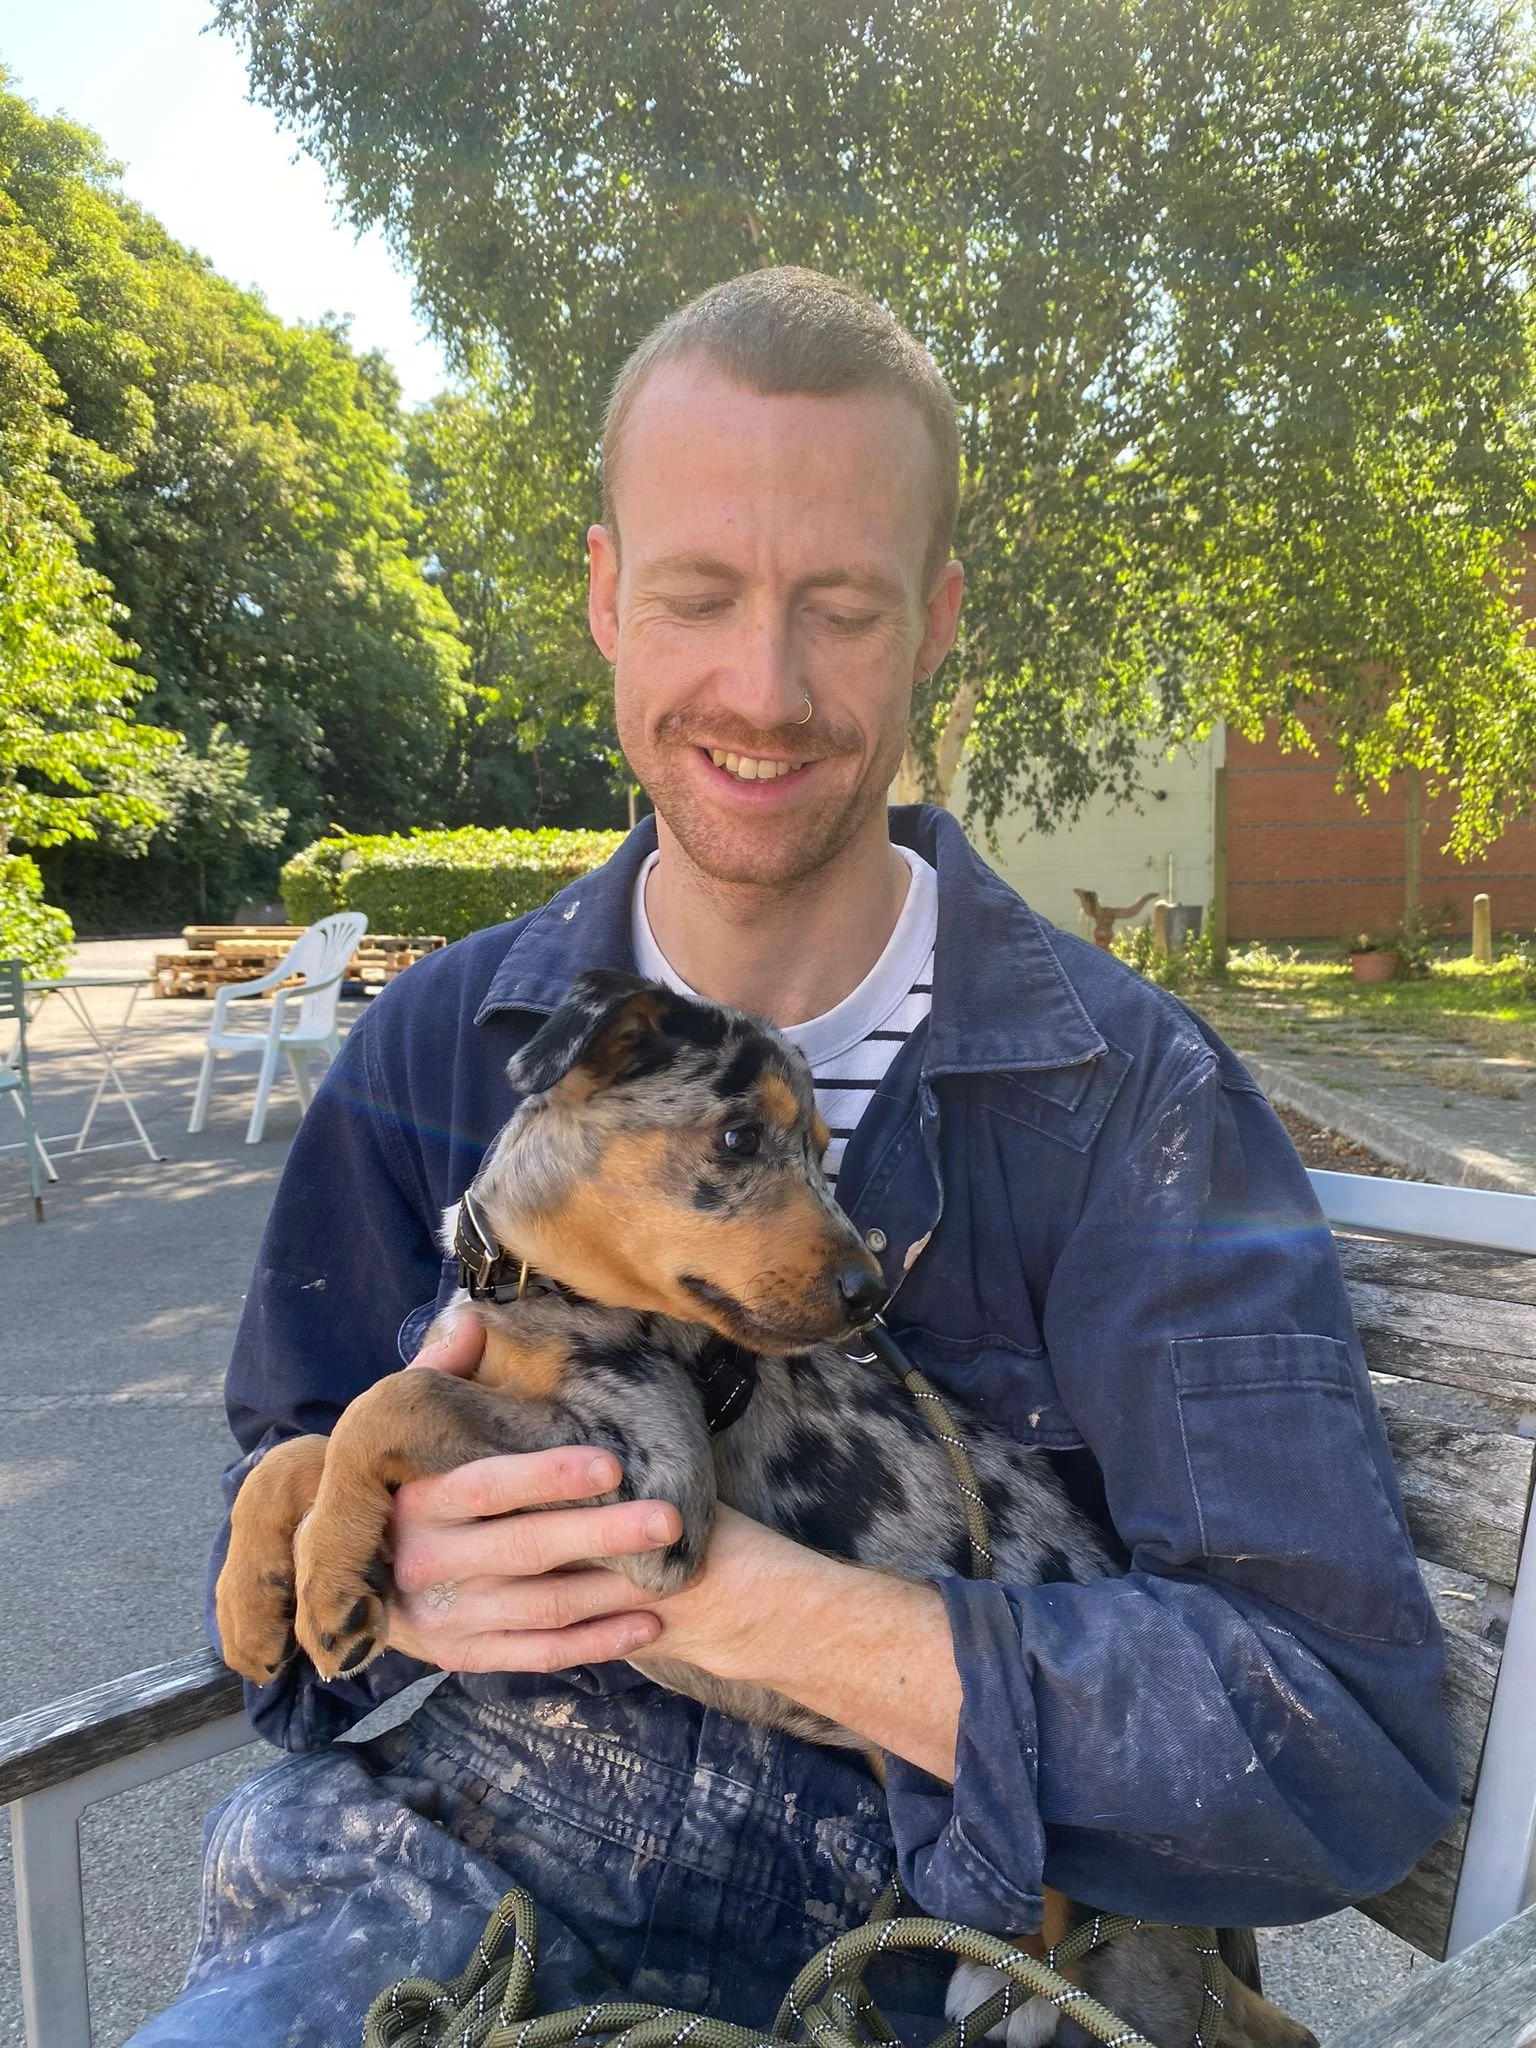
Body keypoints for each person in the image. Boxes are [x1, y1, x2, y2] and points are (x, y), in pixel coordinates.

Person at [131, 268, 1456, 2048]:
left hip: (927, 1959)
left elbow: (1340, 1750)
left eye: (839, 605)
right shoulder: (439, 1053)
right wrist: (397, 1557)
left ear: (937, 624)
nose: (763, 687)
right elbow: (280, 1534)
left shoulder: (1131, 1103)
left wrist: (767, 1612)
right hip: (424, 1888)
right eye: (698, 593)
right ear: (606, 599)